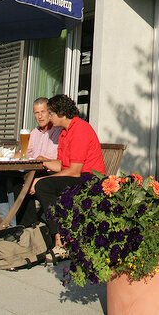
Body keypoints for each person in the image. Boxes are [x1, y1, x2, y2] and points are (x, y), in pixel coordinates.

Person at [24, 94, 105, 256]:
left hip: (90, 179)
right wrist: (44, 163)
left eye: (51, 114)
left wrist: (43, 178)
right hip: (76, 175)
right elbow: (62, 165)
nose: (50, 118)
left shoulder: (80, 129)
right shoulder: (64, 132)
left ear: (61, 113)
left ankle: (60, 237)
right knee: (26, 182)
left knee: (43, 185)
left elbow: (74, 171)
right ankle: (30, 233)